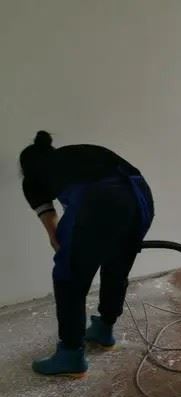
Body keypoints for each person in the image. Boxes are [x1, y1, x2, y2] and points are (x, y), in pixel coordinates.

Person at [20, 131, 154, 377]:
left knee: (68, 278)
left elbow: (55, 236)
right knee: (117, 264)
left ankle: (70, 354)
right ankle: (104, 330)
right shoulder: (74, 154)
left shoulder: (32, 179)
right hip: (141, 197)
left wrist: (72, 252)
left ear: (26, 168)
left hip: (100, 198)